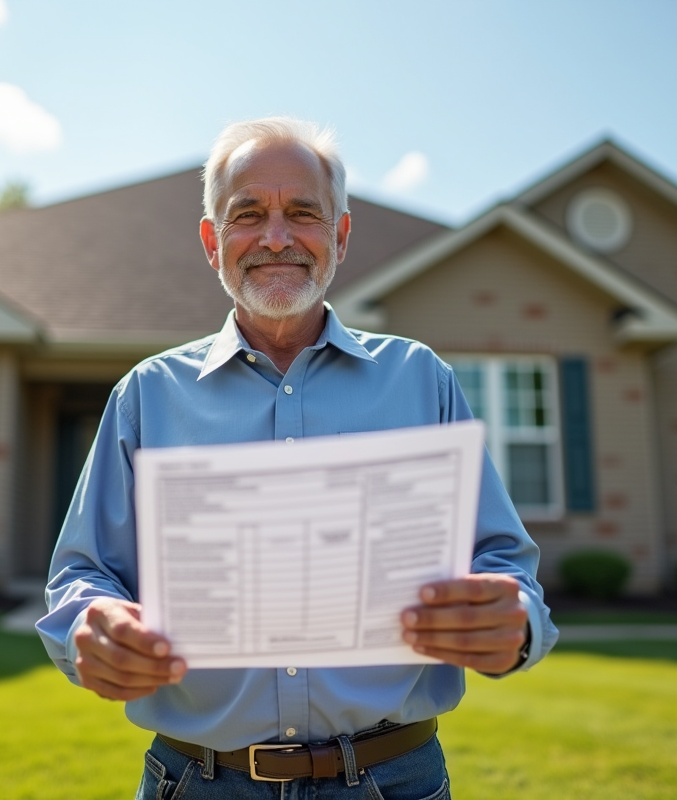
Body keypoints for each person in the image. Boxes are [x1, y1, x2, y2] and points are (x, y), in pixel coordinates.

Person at [37, 117, 558, 798]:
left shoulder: (421, 380)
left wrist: (512, 622)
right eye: (247, 214)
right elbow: (83, 575)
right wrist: (92, 627)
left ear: (339, 236)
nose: (275, 237)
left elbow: (504, 566)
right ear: (211, 242)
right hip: (197, 782)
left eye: (302, 213)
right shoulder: (146, 396)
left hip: (393, 780)